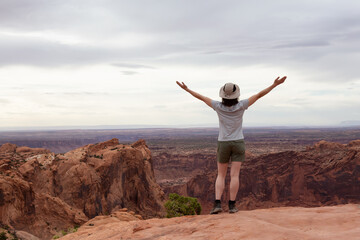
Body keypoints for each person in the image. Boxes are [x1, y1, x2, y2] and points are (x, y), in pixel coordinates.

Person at [176, 76, 286, 214]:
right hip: (238, 142)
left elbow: (202, 97)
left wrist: (187, 89)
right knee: (235, 175)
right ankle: (232, 206)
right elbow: (259, 95)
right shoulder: (242, 105)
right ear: (236, 95)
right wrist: (274, 85)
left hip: (223, 143)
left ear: (222, 95)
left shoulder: (218, 106)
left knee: (221, 175)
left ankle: (217, 205)